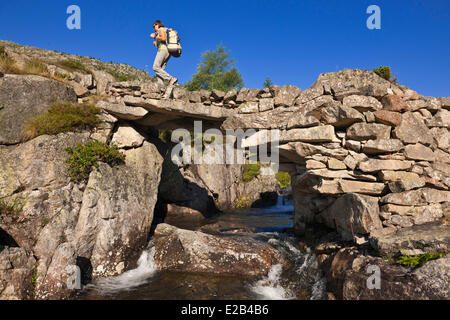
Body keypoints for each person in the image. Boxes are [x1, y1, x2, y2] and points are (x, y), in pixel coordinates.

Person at [150, 20, 178, 86]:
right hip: (168, 51)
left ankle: (171, 79)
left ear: (158, 24)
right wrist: (156, 43)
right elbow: (163, 40)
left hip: (163, 50)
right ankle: (161, 88)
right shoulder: (164, 30)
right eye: (153, 26)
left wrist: (154, 37)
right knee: (160, 70)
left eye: (155, 25)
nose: (154, 27)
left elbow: (163, 38)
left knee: (155, 67)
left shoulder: (161, 29)